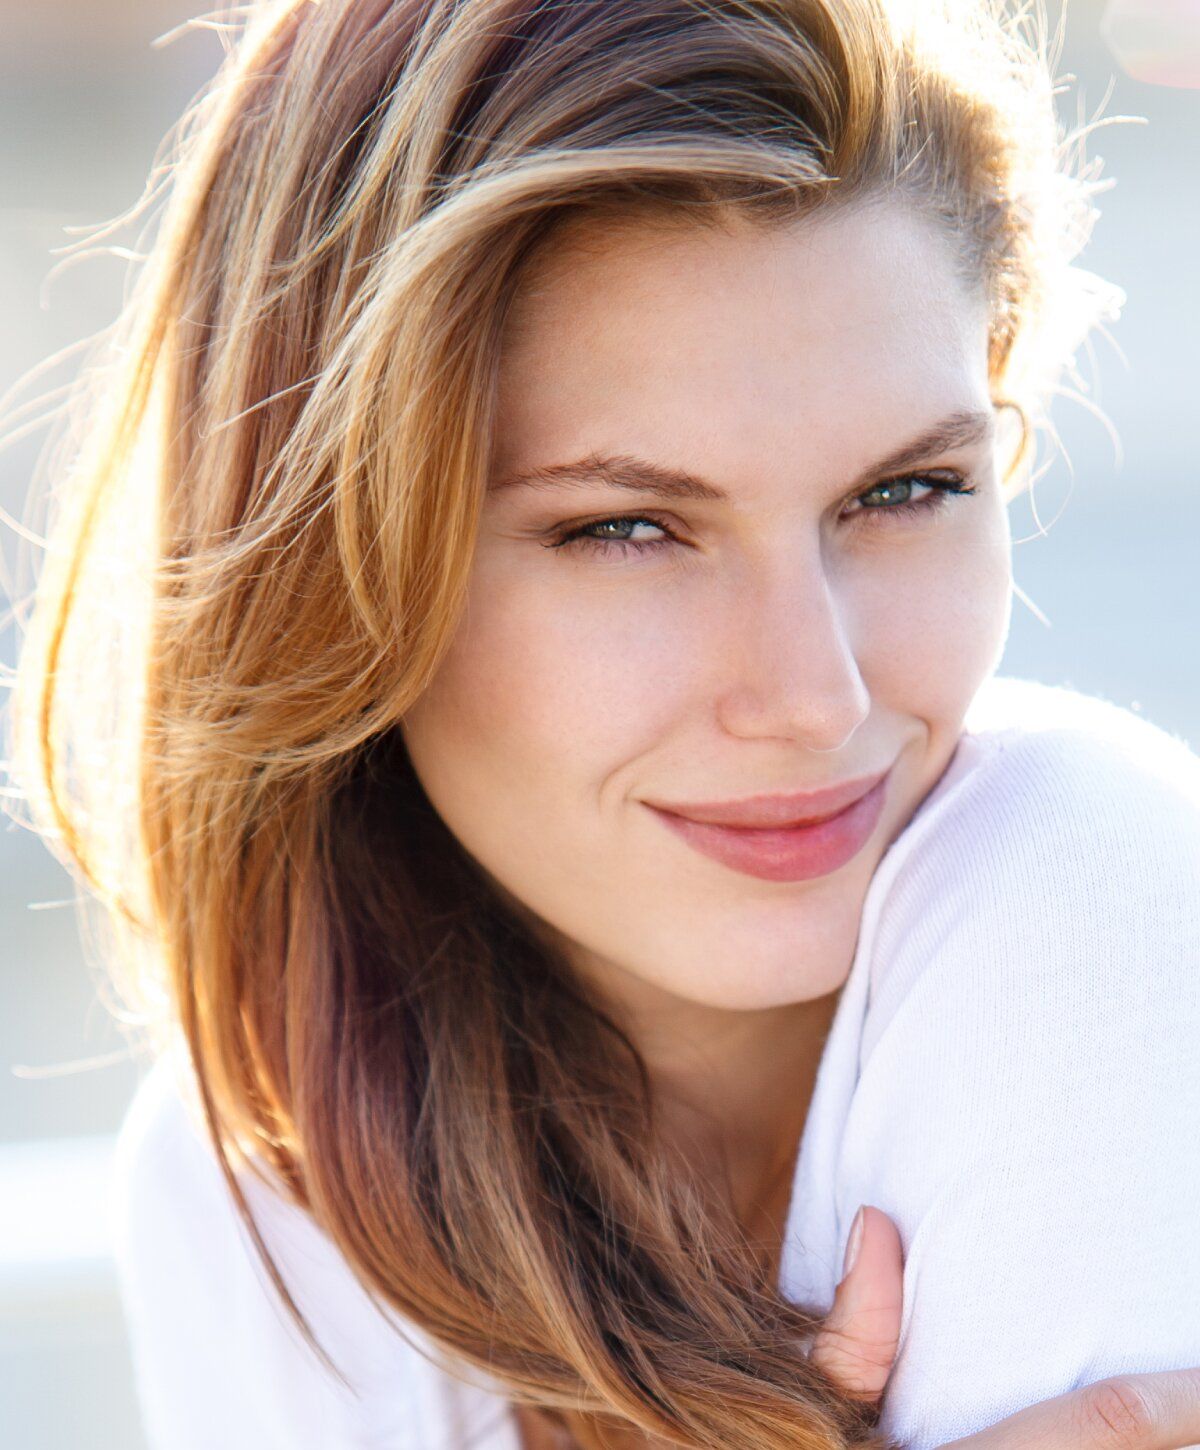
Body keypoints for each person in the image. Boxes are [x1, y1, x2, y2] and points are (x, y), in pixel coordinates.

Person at [6, 0, 1200, 1447]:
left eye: (904, 492)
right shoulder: (260, 1194)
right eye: (627, 526)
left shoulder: (1090, 887)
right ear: (333, 571)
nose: (814, 694)